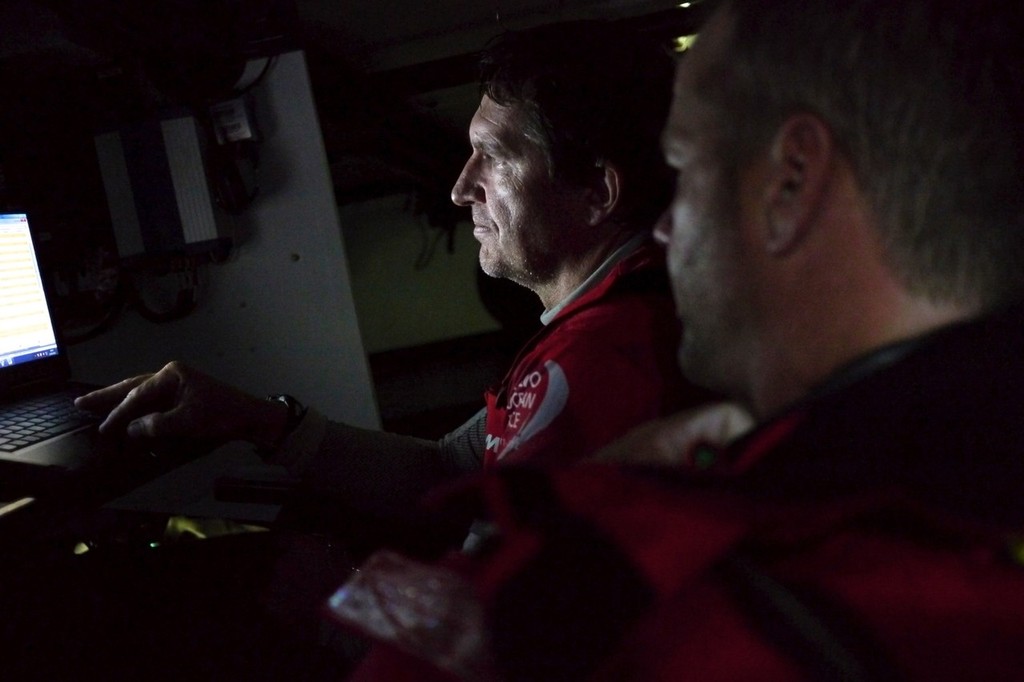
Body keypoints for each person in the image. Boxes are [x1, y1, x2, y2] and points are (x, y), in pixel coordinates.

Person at [336, 0, 1024, 679]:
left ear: (792, 181)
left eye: (686, 170)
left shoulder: (753, 606)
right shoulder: (935, 502)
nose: (660, 232)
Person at [76, 21, 707, 527]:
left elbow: (481, 617)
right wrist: (259, 420)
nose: (461, 189)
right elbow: (451, 468)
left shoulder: (601, 360)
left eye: (493, 157)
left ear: (598, 190)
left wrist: (337, 607)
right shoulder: (613, 321)